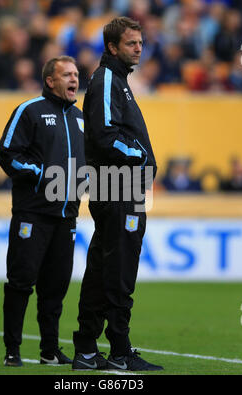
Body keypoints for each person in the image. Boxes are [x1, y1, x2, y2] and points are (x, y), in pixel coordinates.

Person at [72, 17, 164, 372]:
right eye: (131, 43)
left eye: (140, 42)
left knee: (103, 266)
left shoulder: (116, 80)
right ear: (112, 47)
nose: (139, 48)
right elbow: (105, 135)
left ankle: (87, 348)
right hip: (118, 184)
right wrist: (141, 157)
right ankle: (120, 352)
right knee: (120, 268)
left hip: (119, 185)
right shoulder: (108, 79)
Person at [0, 56, 85, 367]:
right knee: (21, 282)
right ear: (50, 80)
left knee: (56, 287)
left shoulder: (80, 118)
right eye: (67, 75)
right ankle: (13, 350)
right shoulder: (29, 110)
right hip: (32, 214)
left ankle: (50, 350)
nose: (74, 79)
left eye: (76, 74)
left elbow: (84, 167)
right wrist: (42, 173)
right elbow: (7, 153)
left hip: (66, 218)